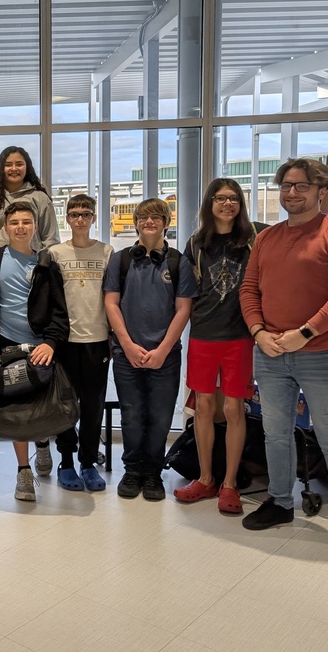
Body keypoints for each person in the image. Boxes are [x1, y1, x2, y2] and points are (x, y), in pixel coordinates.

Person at [240, 158, 328, 561]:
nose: (291, 193)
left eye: (300, 186)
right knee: (275, 435)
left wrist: (305, 333)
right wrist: (261, 333)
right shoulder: (267, 238)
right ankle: (280, 503)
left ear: (320, 191)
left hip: (320, 353)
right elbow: (249, 290)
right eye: (285, 186)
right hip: (272, 353)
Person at [174, 179, 266, 514]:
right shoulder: (197, 242)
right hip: (203, 335)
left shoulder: (256, 237)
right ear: (209, 203)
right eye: (220, 198)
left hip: (240, 337)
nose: (227, 204)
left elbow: (295, 230)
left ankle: (229, 484)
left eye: (234, 199)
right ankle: (205, 478)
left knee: (232, 409)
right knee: (203, 407)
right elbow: (184, 290)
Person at [103, 197, 196, 502]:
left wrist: (162, 350)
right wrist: (127, 345)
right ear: (136, 223)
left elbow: (183, 310)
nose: (149, 222)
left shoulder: (177, 261)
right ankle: (132, 469)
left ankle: (153, 471)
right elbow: (111, 304)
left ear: (166, 223)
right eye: (143, 217)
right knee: (131, 414)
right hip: (126, 353)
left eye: (157, 217)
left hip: (165, 354)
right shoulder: (121, 259)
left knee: (159, 414)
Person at [0, 202, 69, 502]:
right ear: (5, 227)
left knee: (39, 408)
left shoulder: (46, 263)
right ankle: (23, 471)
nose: (20, 227)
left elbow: (59, 310)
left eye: (26, 222)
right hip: (5, 346)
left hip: (38, 346)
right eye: (14, 222)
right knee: (17, 413)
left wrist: (51, 343)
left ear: (34, 226)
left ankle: (42, 443)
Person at [47, 194, 113, 493]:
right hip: (65, 342)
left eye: (86, 214)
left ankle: (87, 462)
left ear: (93, 218)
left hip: (97, 340)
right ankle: (66, 461)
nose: (80, 219)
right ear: (67, 218)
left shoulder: (107, 252)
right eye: (74, 214)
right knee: (65, 405)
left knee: (92, 405)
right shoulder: (55, 254)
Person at [0, 146, 59, 252]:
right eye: (8, 165)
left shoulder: (41, 198)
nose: (14, 169)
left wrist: (43, 264)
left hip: (31, 264)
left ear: (27, 167)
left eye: (19, 164)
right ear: (1, 169)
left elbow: (51, 240)